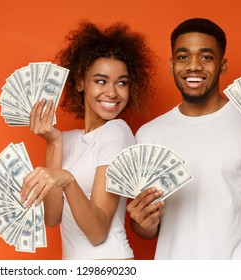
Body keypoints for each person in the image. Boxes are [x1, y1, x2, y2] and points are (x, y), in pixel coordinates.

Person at [127, 18, 241, 259]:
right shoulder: (149, 134)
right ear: (171, 65)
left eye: (206, 57)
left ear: (223, 65)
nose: (194, 66)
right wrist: (142, 220)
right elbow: (146, 231)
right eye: (183, 57)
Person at [19, 20, 156, 259]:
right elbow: (52, 217)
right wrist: (53, 143)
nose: (112, 93)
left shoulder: (116, 133)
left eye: (121, 83)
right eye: (101, 81)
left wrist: (68, 180)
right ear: (81, 82)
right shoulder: (67, 139)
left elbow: (98, 231)